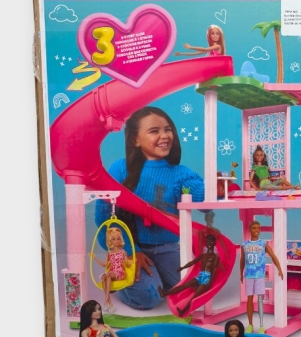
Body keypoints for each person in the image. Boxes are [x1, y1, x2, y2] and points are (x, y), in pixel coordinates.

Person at [94, 106, 207, 310]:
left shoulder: (180, 173)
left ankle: (158, 278)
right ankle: (122, 282)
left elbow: (200, 197)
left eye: (167, 129)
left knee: (194, 289)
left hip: (167, 248)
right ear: (135, 140)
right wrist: (131, 252)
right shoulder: (120, 169)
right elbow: (103, 219)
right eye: (154, 131)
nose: (164, 136)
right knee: (148, 298)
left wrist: (216, 188)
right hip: (131, 248)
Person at [157, 233, 220, 318]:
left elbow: (214, 271)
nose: (209, 244)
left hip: (207, 278)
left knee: (195, 296)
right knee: (184, 285)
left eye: (211, 242)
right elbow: (192, 262)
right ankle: (164, 293)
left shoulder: (215, 257)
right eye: (208, 242)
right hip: (201, 275)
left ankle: (183, 311)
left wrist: (210, 284)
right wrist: (182, 267)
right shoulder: (203, 256)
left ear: (214, 243)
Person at [241, 221, 284, 333]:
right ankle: (250, 324)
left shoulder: (263, 244)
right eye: (254, 228)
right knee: (249, 299)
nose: (257, 230)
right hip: (249, 275)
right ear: (250, 229)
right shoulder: (245, 245)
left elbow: (273, 256)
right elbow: (242, 260)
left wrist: (279, 268)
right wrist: (241, 273)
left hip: (259, 275)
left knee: (260, 299)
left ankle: (261, 325)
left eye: (258, 228)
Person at [92, 227, 134, 314]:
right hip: (111, 272)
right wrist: (94, 258)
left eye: (118, 239)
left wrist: (132, 262)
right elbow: (104, 265)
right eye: (114, 239)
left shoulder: (123, 252)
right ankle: (110, 303)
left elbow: (126, 264)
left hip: (119, 272)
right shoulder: (109, 253)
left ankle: (106, 300)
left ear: (121, 240)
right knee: (104, 277)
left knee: (107, 275)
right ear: (110, 241)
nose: (116, 241)